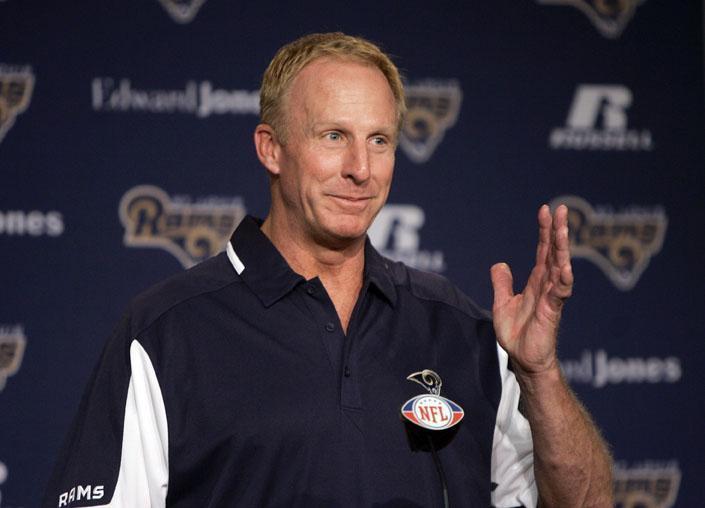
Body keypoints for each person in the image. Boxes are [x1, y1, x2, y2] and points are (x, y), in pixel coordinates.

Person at [43, 32, 613, 507]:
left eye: (380, 140)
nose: (360, 168)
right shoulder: (168, 331)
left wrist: (539, 375)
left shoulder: (460, 328)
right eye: (334, 136)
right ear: (271, 147)